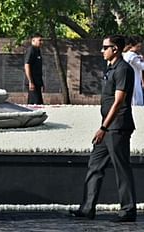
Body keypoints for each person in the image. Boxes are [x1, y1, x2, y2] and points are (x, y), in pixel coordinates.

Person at [69, 35, 136, 223]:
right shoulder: (110, 68)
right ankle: (87, 208)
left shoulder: (123, 69)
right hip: (107, 128)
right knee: (94, 166)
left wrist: (103, 128)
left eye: (105, 47)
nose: (101, 50)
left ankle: (128, 210)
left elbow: (118, 102)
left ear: (115, 49)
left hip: (117, 128)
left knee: (121, 168)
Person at [123, 35, 144, 106]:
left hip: (130, 81)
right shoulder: (133, 56)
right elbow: (142, 66)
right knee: (136, 102)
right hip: (134, 82)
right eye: (138, 46)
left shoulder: (126, 55)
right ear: (132, 45)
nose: (139, 48)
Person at [24, 33, 44, 104]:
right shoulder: (31, 50)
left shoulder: (38, 51)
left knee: (38, 103)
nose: (42, 42)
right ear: (33, 40)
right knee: (35, 105)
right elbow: (27, 65)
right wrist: (30, 82)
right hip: (33, 83)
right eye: (40, 40)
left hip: (37, 83)